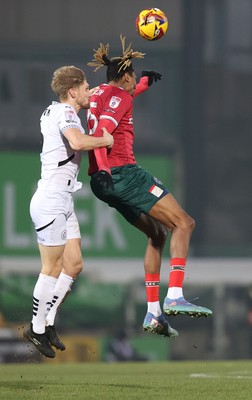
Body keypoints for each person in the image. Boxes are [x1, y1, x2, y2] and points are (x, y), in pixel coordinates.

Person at [86, 35, 212, 339]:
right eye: (133, 79)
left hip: (101, 183)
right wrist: (105, 168)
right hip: (122, 174)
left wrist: (143, 84)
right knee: (184, 223)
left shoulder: (101, 91)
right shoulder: (121, 97)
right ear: (125, 76)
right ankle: (174, 295)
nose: (134, 85)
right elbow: (104, 131)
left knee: (158, 233)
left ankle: (154, 313)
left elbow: (114, 104)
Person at [23, 66, 114, 358]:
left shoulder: (54, 111)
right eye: (86, 87)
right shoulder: (65, 113)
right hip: (51, 198)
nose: (89, 91)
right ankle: (36, 329)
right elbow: (77, 142)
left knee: (73, 265)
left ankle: (47, 321)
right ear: (73, 91)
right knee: (51, 268)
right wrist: (105, 139)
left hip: (63, 198)